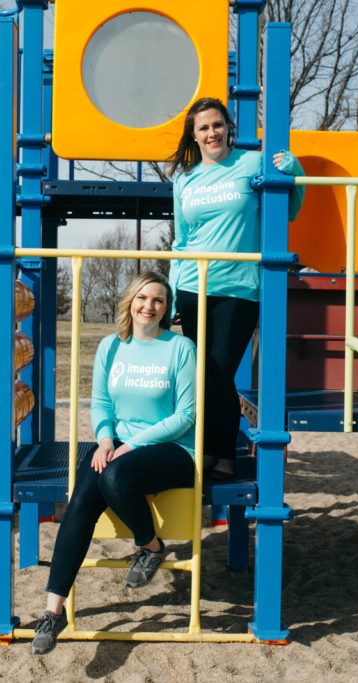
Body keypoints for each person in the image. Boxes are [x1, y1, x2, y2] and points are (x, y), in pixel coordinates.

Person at [32, 271, 197, 655]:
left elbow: (185, 415)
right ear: (130, 302)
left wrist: (131, 445)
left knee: (116, 474)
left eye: (157, 300)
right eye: (142, 298)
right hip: (118, 442)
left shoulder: (180, 348)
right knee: (82, 495)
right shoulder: (112, 345)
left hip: (171, 448)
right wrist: (106, 439)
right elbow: (102, 404)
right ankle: (51, 612)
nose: (149, 306)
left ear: (166, 307)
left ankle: (151, 546)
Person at [167, 97, 305, 480]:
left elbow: (289, 210)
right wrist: (175, 288)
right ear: (193, 136)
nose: (212, 133)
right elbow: (182, 240)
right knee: (200, 373)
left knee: (218, 371)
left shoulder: (252, 162)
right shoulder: (184, 179)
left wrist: (295, 173)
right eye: (203, 128)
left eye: (217, 125)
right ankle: (211, 452)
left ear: (228, 127)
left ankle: (220, 452)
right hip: (194, 285)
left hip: (239, 286)